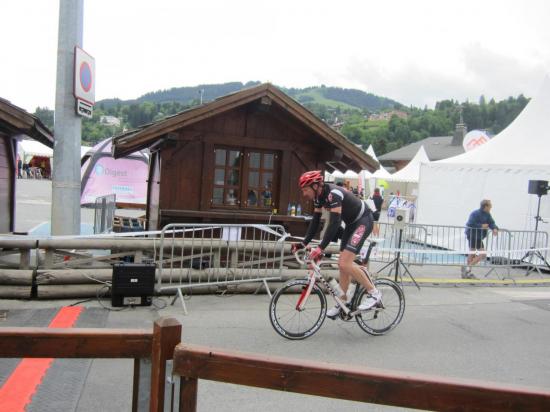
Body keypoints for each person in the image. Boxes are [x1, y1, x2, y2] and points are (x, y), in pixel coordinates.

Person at [291, 170, 381, 318]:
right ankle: (343, 303)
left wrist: (320, 248)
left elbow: (334, 223)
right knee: (342, 265)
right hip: (352, 225)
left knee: (345, 263)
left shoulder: (333, 194)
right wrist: (303, 243)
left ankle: (374, 293)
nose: (304, 194)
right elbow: (315, 222)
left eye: (306, 189)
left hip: (364, 220)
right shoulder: (318, 198)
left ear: (315, 186)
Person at [462, 199, 498, 279]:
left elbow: (491, 222)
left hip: (479, 236)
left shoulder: (487, 214)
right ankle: (468, 268)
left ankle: (467, 271)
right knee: (481, 254)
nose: (491, 207)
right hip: (472, 235)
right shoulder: (475, 213)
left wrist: (494, 228)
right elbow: (470, 224)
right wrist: (481, 226)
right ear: (485, 206)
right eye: (490, 206)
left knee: (472, 253)